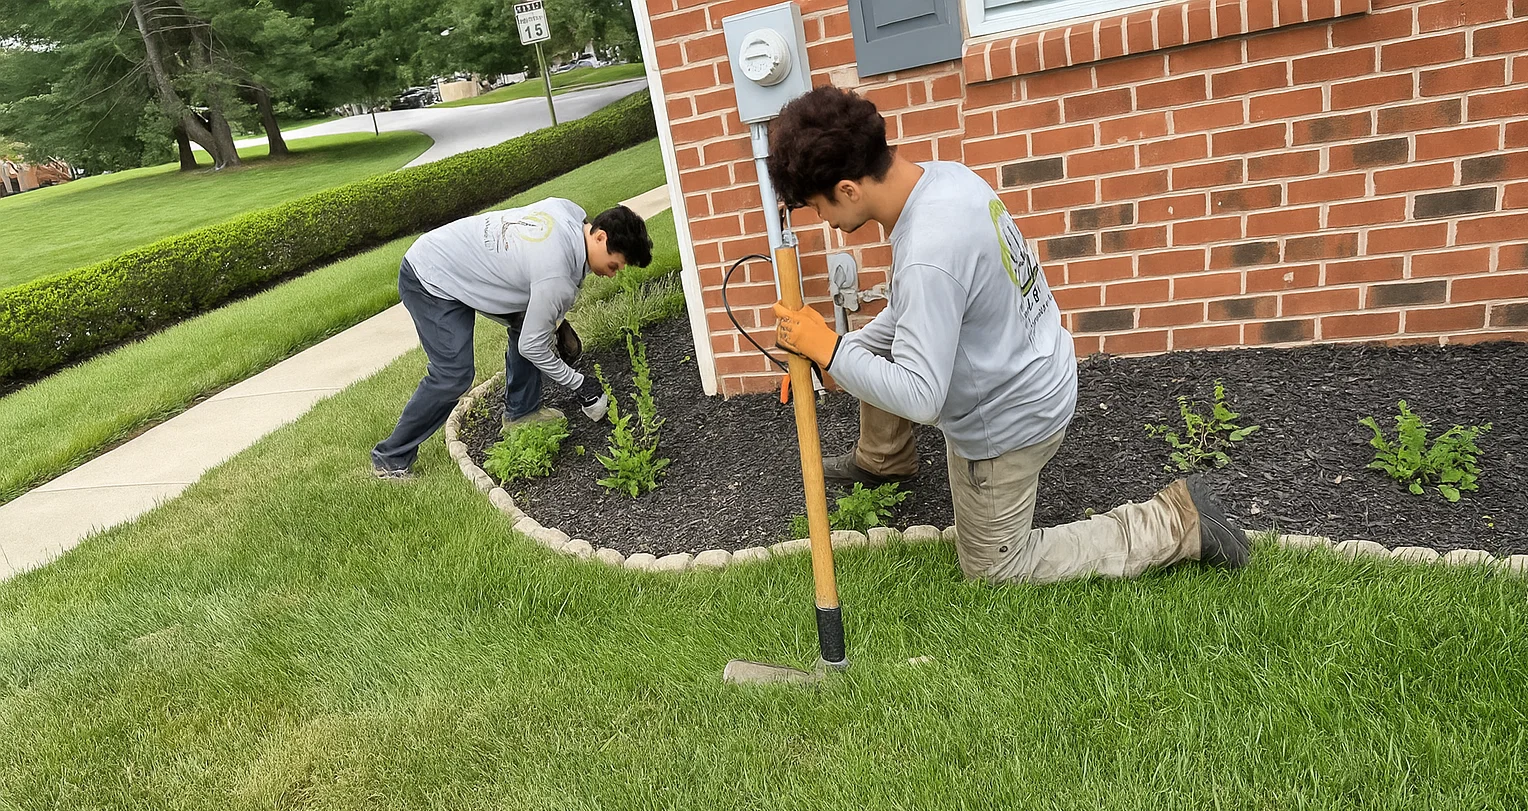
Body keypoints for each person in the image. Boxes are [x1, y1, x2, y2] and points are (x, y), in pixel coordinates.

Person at [767, 86, 1249, 583]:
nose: (822, 221)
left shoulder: (928, 252)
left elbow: (921, 396)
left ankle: (1177, 522)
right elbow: (914, 312)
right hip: (1040, 369)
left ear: (848, 189)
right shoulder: (944, 179)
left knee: (997, 569)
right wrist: (837, 350)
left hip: (1009, 422)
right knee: (867, 350)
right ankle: (885, 459)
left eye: (817, 207)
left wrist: (832, 349)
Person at [371, 201, 652, 478]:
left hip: (464, 263)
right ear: (600, 236)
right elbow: (532, 346)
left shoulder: (571, 213)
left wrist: (552, 320)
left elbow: (535, 269)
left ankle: (521, 413)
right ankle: (391, 458)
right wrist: (580, 384)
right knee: (453, 375)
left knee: (530, 324)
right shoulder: (556, 274)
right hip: (430, 275)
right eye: (615, 265)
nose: (614, 274)